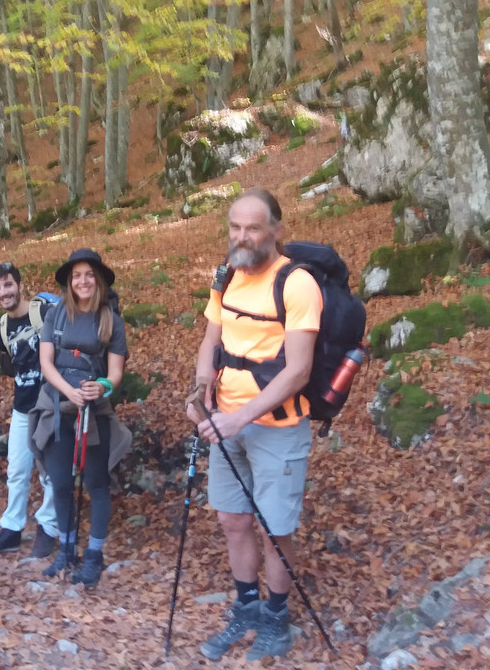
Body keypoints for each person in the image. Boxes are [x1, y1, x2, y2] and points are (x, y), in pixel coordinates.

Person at [186, 187, 322, 662]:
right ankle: (246, 609)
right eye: (234, 227)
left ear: (276, 231)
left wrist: (239, 418)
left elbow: (298, 370)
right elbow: (211, 341)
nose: (242, 236)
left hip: (276, 427)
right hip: (225, 422)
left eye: (253, 227)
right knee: (233, 521)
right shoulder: (226, 276)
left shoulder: (297, 284)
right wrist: (200, 389)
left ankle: (277, 620)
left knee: (274, 528)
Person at [29, 248, 131, 588]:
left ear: (98, 280)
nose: (83, 281)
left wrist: (99, 387)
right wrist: (67, 392)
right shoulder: (56, 316)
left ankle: (94, 556)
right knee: (59, 483)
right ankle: (66, 548)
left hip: (93, 412)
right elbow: (46, 363)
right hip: (58, 408)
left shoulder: (111, 321)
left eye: (89, 275)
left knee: (96, 484)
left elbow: (115, 374)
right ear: (69, 282)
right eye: (77, 276)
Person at [0, 262, 58, 558]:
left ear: (19, 285)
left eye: (8, 285)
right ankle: (12, 529)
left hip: (51, 404)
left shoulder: (44, 312)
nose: (3, 292)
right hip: (22, 408)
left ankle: (48, 528)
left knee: (51, 472)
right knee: (17, 470)